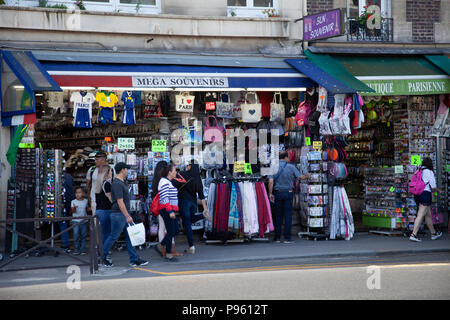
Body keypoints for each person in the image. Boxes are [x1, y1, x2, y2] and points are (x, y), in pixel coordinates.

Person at [102, 162, 148, 267]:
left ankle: (134, 259)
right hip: (120, 214)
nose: (128, 171)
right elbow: (120, 201)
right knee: (113, 237)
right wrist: (127, 215)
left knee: (130, 237)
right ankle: (102, 257)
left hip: (121, 214)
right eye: (126, 169)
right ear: (122, 170)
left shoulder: (120, 182)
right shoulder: (118, 183)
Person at [268, 151, 310, 243]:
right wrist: (308, 175)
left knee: (278, 215)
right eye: (288, 157)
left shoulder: (273, 167)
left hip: (277, 193)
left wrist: (270, 193)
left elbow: (270, 182)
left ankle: (277, 238)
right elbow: (300, 177)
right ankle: (287, 238)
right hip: (288, 193)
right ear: (286, 157)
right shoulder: (291, 167)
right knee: (287, 216)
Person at [172, 161, 211, 254]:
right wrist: (205, 209)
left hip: (184, 202)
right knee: (191, 219)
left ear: (191, 166)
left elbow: (172, 183)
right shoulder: (197, 179)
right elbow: (201, 196)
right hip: (193, 204)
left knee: (187, 224)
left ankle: (191, 246)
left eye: (188, 165)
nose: (187, 166)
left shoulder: (181, 174)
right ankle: (202, 216)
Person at [152, 161, 182, 257]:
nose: (176, 173)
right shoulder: (164, 182)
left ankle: (161, 245)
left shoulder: (167, 181)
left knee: (175, 230)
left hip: (169, 209)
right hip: (166, 210)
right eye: (174, 171)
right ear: (169, 172)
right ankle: (168, 252)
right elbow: (164, 198)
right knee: (171, 231)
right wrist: (170, 210)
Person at [410, 157, 442, 242]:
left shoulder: (418, 170)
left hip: (417, 194)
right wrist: (439, 191)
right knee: (420, 214)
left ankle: (433, 233)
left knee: (428, 215)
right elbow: (433, 186)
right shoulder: (429, 172)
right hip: (425, 194)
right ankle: (413, 234)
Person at [95, 165, 113, 248]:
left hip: (100, 210)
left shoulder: (99, 184)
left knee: (103, 233)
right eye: (110, 171)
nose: (112, 173)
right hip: (106, 211)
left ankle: (101, 252)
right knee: (106, 233)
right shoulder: (107, 184)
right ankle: (103, 253)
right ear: (107, 173)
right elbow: (110, 199)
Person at [71, 187, 89, 255]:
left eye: (79, 192)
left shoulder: (86, 201)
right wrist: (74, 208)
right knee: (76, 235)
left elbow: (87, 209)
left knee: (83, 236)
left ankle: (83, 249)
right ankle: (76, 249)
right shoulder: (73, 201)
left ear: (83, 193)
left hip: (84, 221)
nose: (77, 194)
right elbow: (72, 211)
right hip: (75, 220)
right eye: (76, 193)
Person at [61, 168, 75, 253]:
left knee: (62, 222)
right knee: (67, 222)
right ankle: (76, 244)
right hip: (69, 201)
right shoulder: (68, 176)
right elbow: (71, 189)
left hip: (62, 202)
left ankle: (65, 243)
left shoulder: (67, 177)